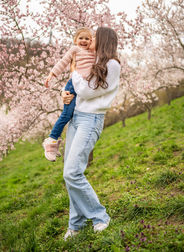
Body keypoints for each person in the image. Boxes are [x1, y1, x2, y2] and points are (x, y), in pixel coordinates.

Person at [61, 26, 121, 240]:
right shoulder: (91, 61)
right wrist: (65, 94)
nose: (90, 39)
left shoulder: (112, 65)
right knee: (69, 173)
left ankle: (100, 216)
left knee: (72, 172)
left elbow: (87, 90)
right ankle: (75, 225)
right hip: (76, 118)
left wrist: (73, 72)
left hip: (91, 119)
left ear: (103, 40)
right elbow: (76, 89)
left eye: (95, 36)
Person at [43, 28, 95, 161]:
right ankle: (52, 140)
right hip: (73, 85)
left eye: (87, 38)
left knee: (75, 113)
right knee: (67, 114)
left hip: (84, 86)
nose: (84, 41)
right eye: (81, 38)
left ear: (92, 41)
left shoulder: (93, 52)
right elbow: (63, 62)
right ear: (75, 40)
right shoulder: (75, 50)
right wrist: (51, 75)